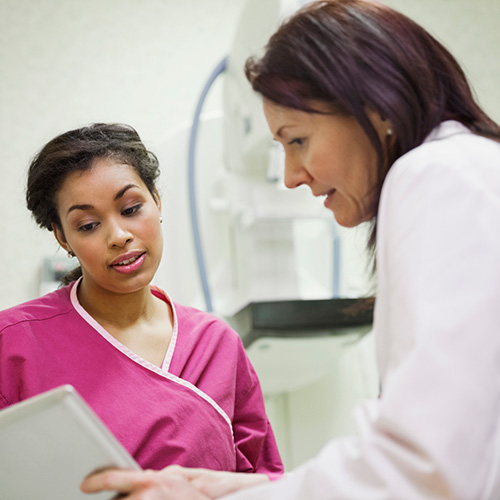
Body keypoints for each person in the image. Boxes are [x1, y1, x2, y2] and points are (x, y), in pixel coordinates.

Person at [80, 0, 500, 498]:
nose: (290, 175)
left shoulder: (437, 174)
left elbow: (424, 468)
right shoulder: (466, 170)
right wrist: (228, 490)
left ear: (377, 106)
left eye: (297, 140)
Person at [0, 123, 283, 478]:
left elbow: (264, 482)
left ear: (157, 200)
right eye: (88, 225)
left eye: (131, 208)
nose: (119, 236)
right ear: (62, 238)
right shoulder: (12, 344)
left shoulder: (216, 344)